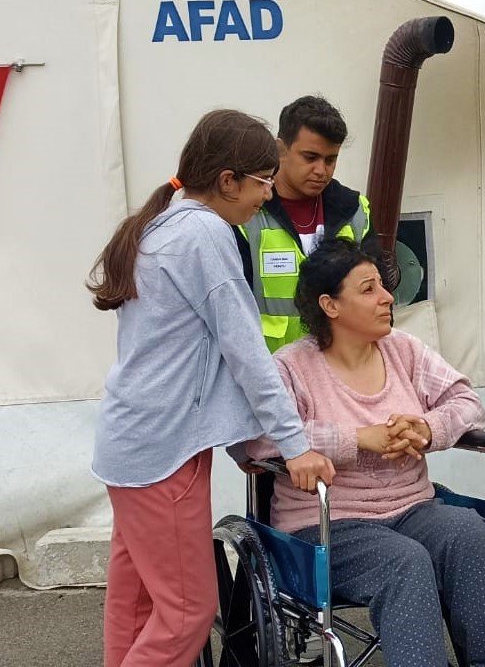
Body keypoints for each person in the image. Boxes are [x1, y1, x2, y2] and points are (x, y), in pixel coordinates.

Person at [87, 109, 336, 667]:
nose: (268, 195)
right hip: (164, 453)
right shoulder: (205, 233)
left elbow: (198, 360)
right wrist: (294, 445)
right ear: (228, 180)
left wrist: (243, 441)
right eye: (263, 181)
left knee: (137, 604)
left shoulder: (163, 225)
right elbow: (245, 353)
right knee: (186, 614)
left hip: (133, 445)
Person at [244, 237, 485, 667]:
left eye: (382, 285)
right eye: (368, 289)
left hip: (412, 508)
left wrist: (427, 428)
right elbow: (255, 439)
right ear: (330, 305)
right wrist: (357, 438)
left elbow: (468, 403)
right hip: (329, 524)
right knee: (404, 562)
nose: (387, 297)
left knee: (467, 532)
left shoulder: (403, 350)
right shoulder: (291, 367)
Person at [234, 95, 373, 353]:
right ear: (280, 150)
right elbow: (228, 313)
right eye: (310, 157)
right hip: (270, 369)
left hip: (340, 368)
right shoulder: (246, 214)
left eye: (330, 160)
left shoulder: (355, 211)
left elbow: (377, 299)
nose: (321, 170)